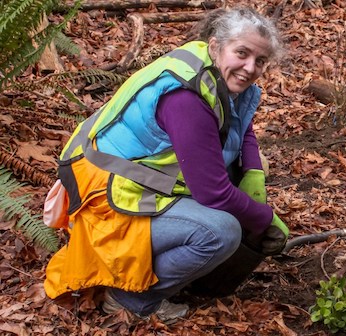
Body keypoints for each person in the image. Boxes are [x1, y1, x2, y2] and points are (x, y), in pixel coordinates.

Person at [43, 7, 289, 324]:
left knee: (252, 173)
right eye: (242, 53)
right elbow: (215, 194)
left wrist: (253, 172)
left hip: (136, 180)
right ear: (216, 45)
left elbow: (243, 128)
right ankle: (130, 299)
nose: (250, 67)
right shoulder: (187, 98)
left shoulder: (217, 73)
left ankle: (167, 264)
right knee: (221, 232)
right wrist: (265, 218)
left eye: (261, 61)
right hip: (107, 195)